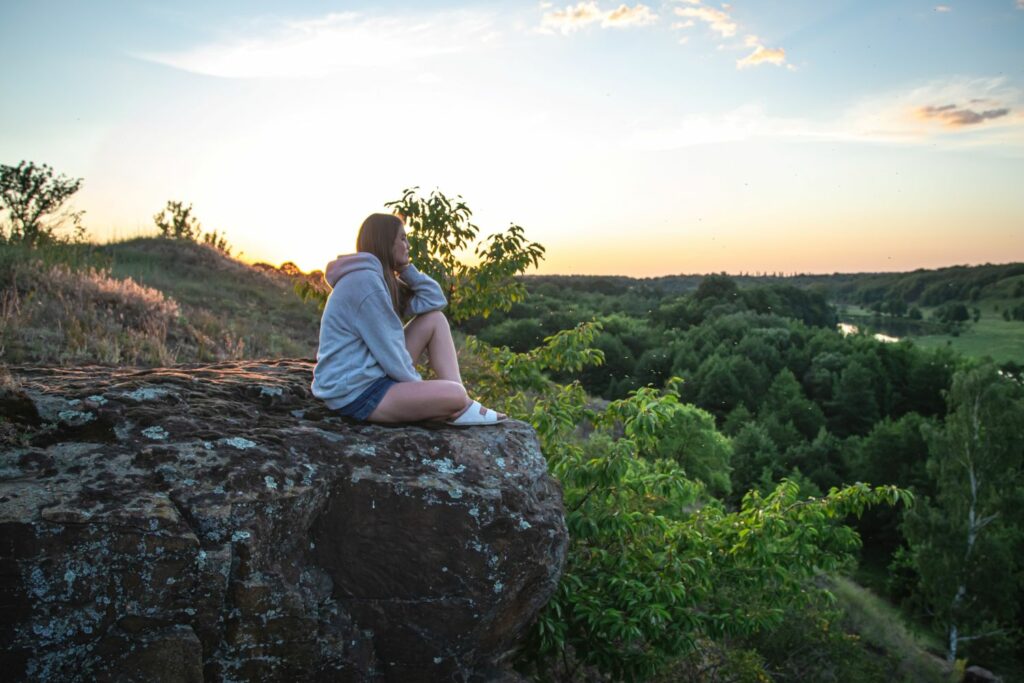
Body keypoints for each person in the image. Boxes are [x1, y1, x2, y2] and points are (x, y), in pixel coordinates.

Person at [311, 213, 506, 426]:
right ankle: (459, 404)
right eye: (403, 238)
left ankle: (461, 406)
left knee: (435, 320)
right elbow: (391, 350)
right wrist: (425, 396)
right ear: (386, 242)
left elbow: (434, 300)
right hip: (356, 393)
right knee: (454, 394)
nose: (408, 245)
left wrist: (405, 269)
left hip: (370, 375)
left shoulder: (379, 279)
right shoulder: (364, 282)